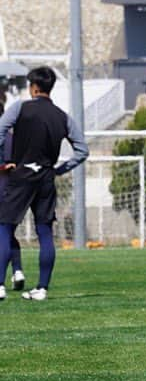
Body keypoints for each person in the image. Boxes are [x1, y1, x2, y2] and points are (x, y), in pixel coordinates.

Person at [0, 66, 89, 301]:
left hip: (21, 176)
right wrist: (59, 169)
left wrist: (4, 160)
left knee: (5, 228)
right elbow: (82, 151)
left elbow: (0, 129)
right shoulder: (62, 116)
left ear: (34, 87)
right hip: (46, 179)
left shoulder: (20, 108)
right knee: (45, 232)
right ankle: (42, 288)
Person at [0, 117, 27, 295]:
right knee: (7, 233)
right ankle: (17, 270)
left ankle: (0, 284)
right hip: (13, 192)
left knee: (3, 235)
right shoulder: (13, 138)